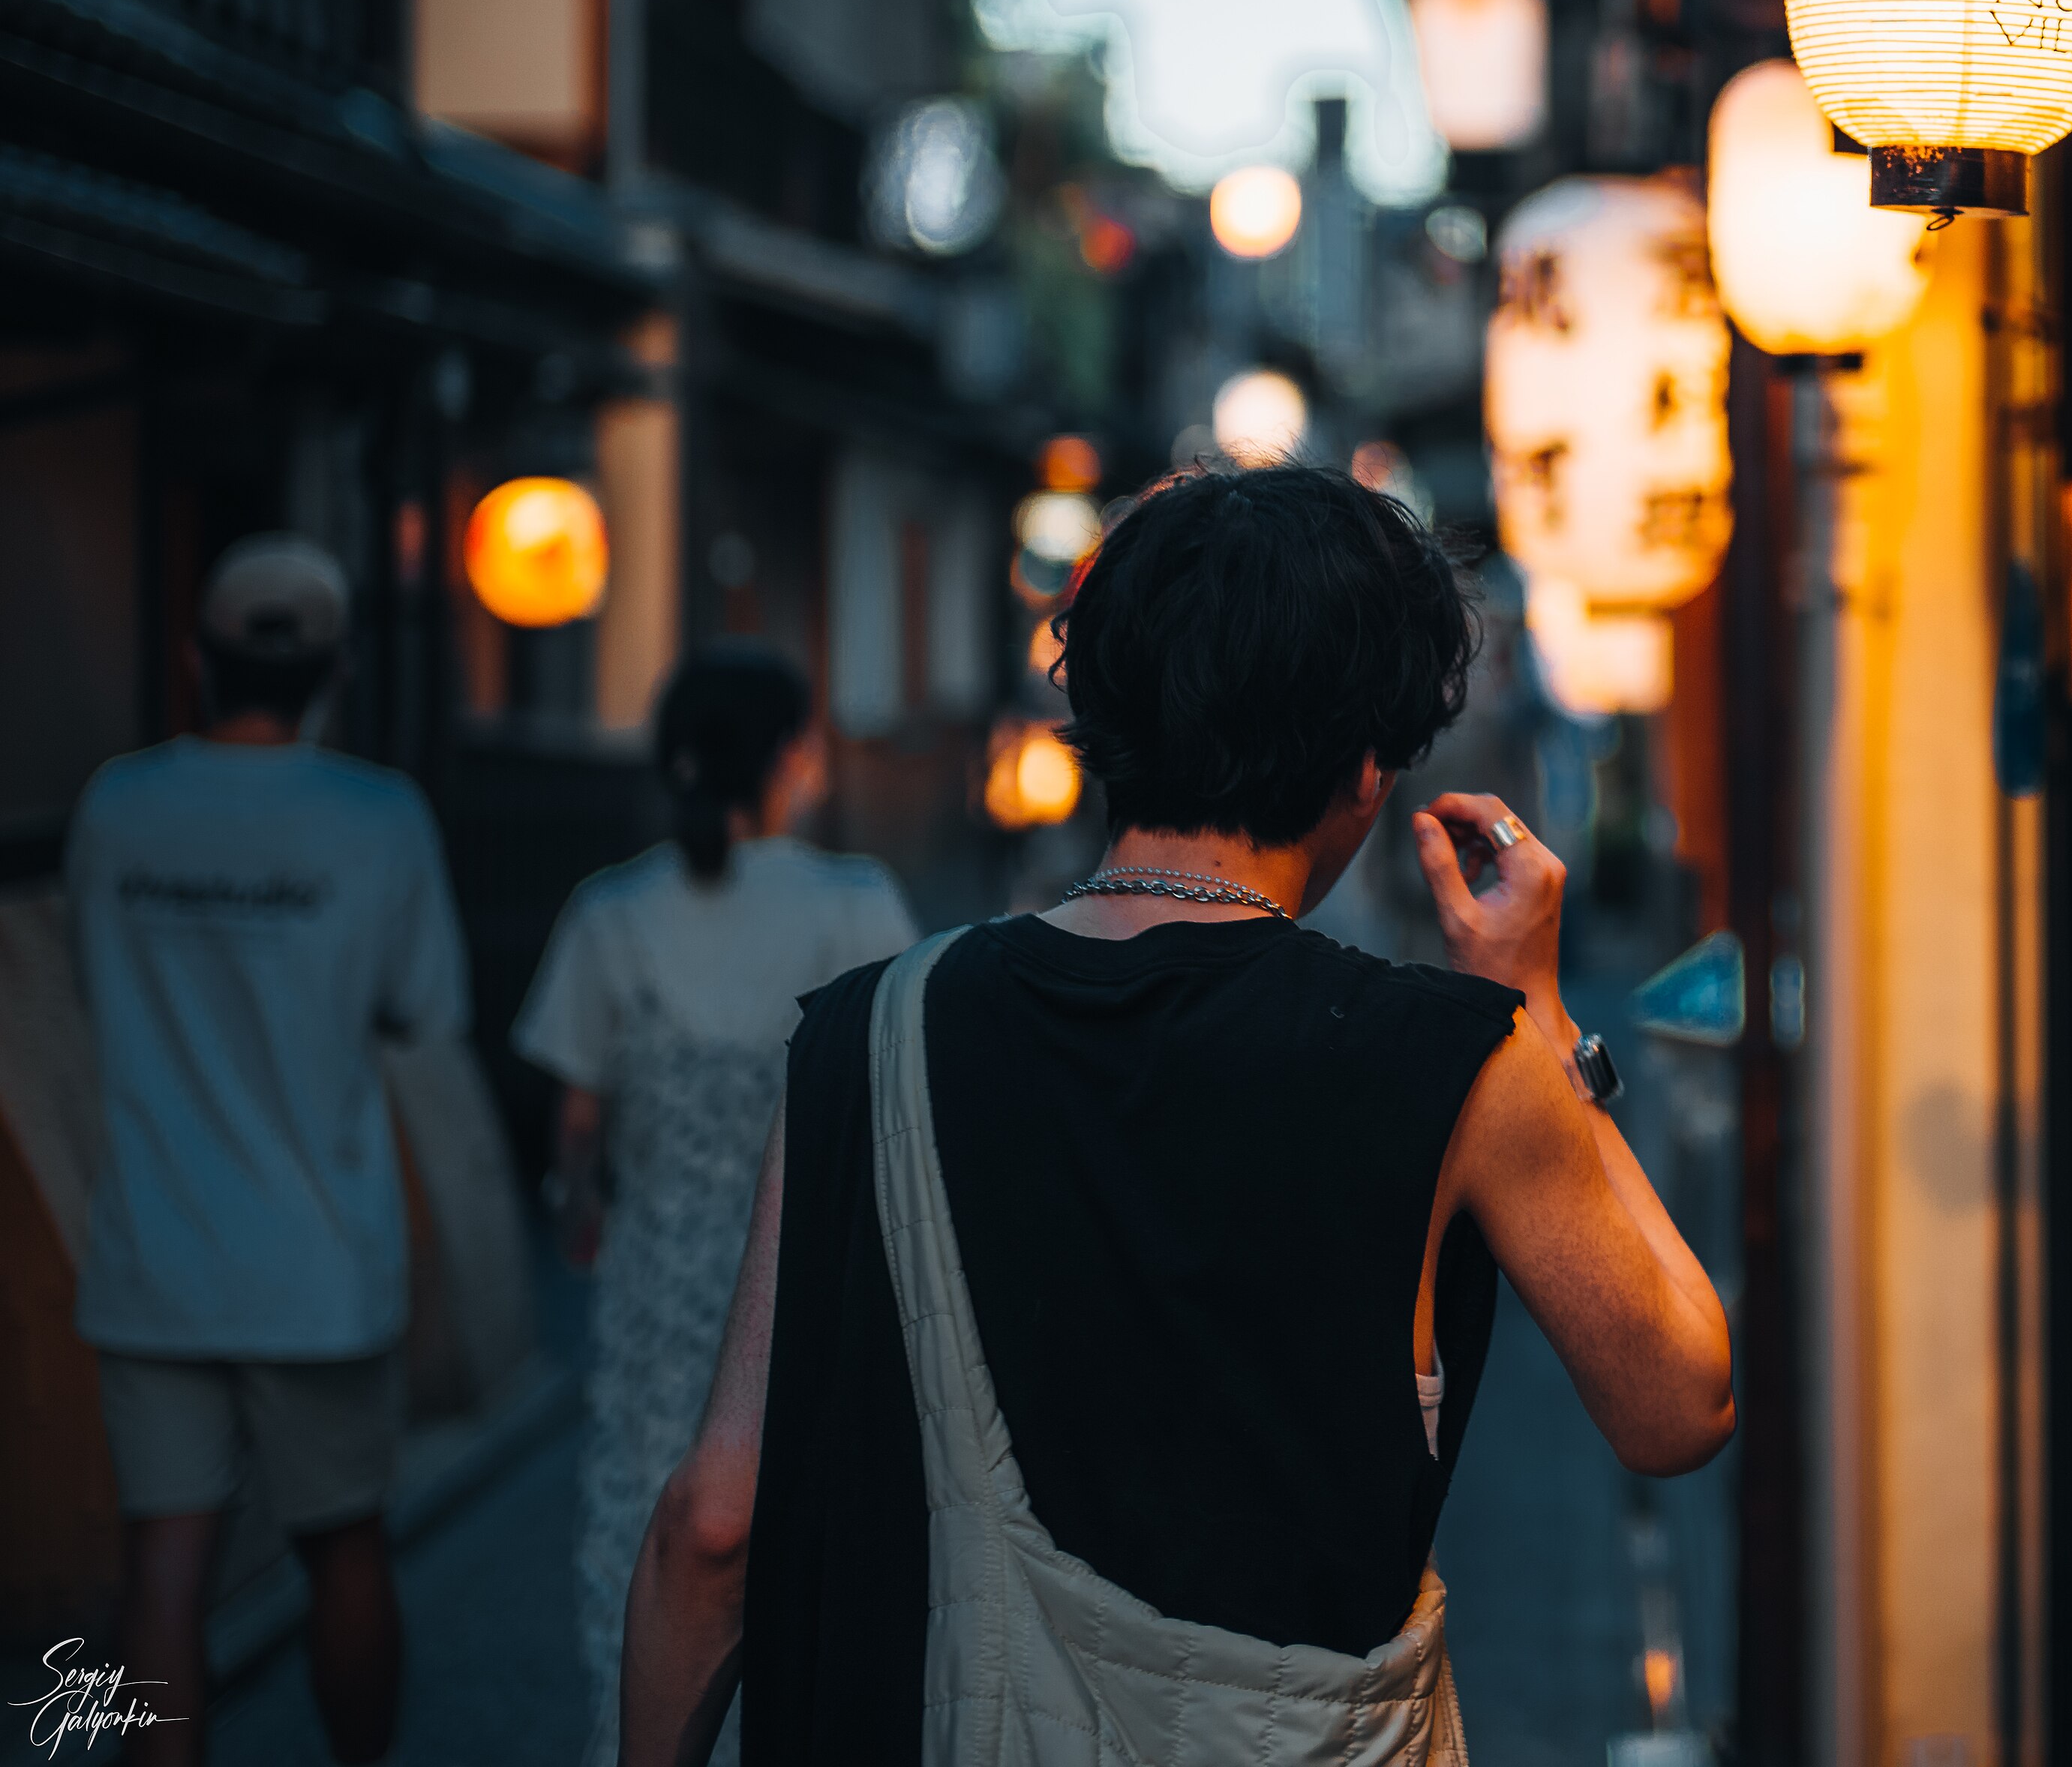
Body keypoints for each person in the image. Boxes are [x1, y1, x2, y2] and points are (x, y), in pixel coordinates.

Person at [618, 464, 1736, 1767]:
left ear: (1096, 709)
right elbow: (1681, 1404)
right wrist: (1540, 1016)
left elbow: (714, 1525)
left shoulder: (869, 1032)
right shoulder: (1460, 1059)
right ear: (1366, 768)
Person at [70, 536, 467, 1767]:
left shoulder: (116, 806)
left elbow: (95, 985)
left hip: (154, 1258)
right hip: (319, 1270)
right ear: (335, 671)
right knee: (344, 1547)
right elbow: (424, 1010)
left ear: (198, 662)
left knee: (165, 1569)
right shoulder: (378, 816)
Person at [515, 644, 916, 1767]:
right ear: (791, 755)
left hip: (655, 1291)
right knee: (806, 1554)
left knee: (644, 1549)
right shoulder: (856, 906)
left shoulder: (611, 913)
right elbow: (894, 1109)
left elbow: (580, 1127)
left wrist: (577, 1207)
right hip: (814, 1296)